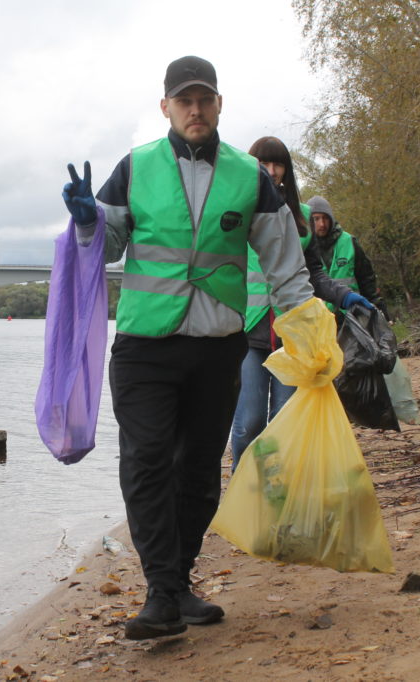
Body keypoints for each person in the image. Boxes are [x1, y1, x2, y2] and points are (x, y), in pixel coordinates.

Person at [61, 56, 321, 640]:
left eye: (204, 98)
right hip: (144, 349)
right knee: (148, 460)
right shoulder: (136, 167)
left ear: (220, 104)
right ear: (166, 108)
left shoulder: (250, 176)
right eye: (184, 100)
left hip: (216, 350)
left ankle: (177, 583)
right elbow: (101, 247)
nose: (195, 109)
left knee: (200, 471)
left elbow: (288, 269)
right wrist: (86, 223)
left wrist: (313, 338)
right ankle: (160, 592)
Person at [230, 137, 370, 471]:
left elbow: (315, 274)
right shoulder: (236, 208)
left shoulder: (303, 217)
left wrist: (344, 295)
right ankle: (241, 483)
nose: (271, 171)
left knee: (284, 420)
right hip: (247, 332)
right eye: (263, 163)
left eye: (278, 164)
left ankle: (274, 492)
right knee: (249, 422)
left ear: (287, 170)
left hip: (293, 335)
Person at [306, 195, 389, 321]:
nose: (322, 224)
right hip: (320, 322)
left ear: (331, 219)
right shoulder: (303, 247)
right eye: (316, 219)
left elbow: (366, 279)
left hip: (353, 316)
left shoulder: (348, 241)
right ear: (308, 221)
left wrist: (379, 309)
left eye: (325, 218)